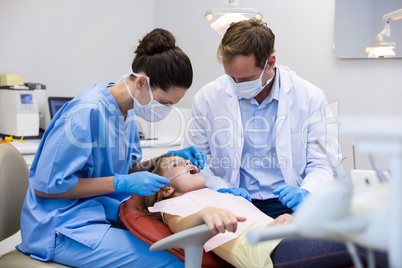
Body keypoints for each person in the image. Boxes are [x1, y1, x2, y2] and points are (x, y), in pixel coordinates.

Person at [17, 28, 206, 268]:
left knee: (185, 247)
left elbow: (127, 168)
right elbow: (47, 187)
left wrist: (168, 157)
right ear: (142, 83)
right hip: (60, 226)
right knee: (177, 260)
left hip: (97, 212)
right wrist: (120, 183)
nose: (166, 110)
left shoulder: (126, 113)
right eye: (164, 103)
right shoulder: (85, 113)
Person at [182, 18, 341, 218]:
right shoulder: (208, 98)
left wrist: (307, 192)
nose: (237, 85)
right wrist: (219, 188)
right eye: (231, 78)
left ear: (270, 63)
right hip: (230, 201)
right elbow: (195, 162)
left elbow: (324, 163)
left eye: (246, 79)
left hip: (290, 205)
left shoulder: (309, 97)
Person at [140, 155, 388, 268]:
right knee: (369, 239)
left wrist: (287, 219)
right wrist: (204, 215)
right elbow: (179, 227)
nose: (188, 163)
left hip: (284, 237)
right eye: (176, 164)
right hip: (270, 254)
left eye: (187, 161)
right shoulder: (169, 205)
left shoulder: (217, 194)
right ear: (166, 189)